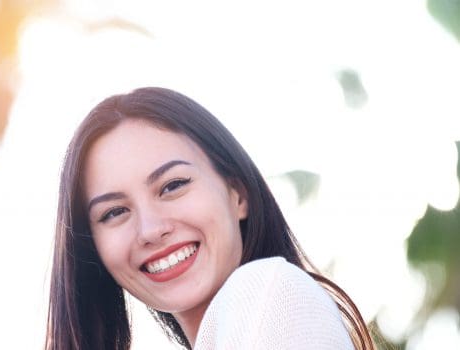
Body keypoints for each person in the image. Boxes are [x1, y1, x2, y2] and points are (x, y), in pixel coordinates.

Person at [46, 87, 375, 350]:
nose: (150, 229)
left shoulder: (267, 291)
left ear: (238, 194)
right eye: (114, 212)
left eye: (173, 186)